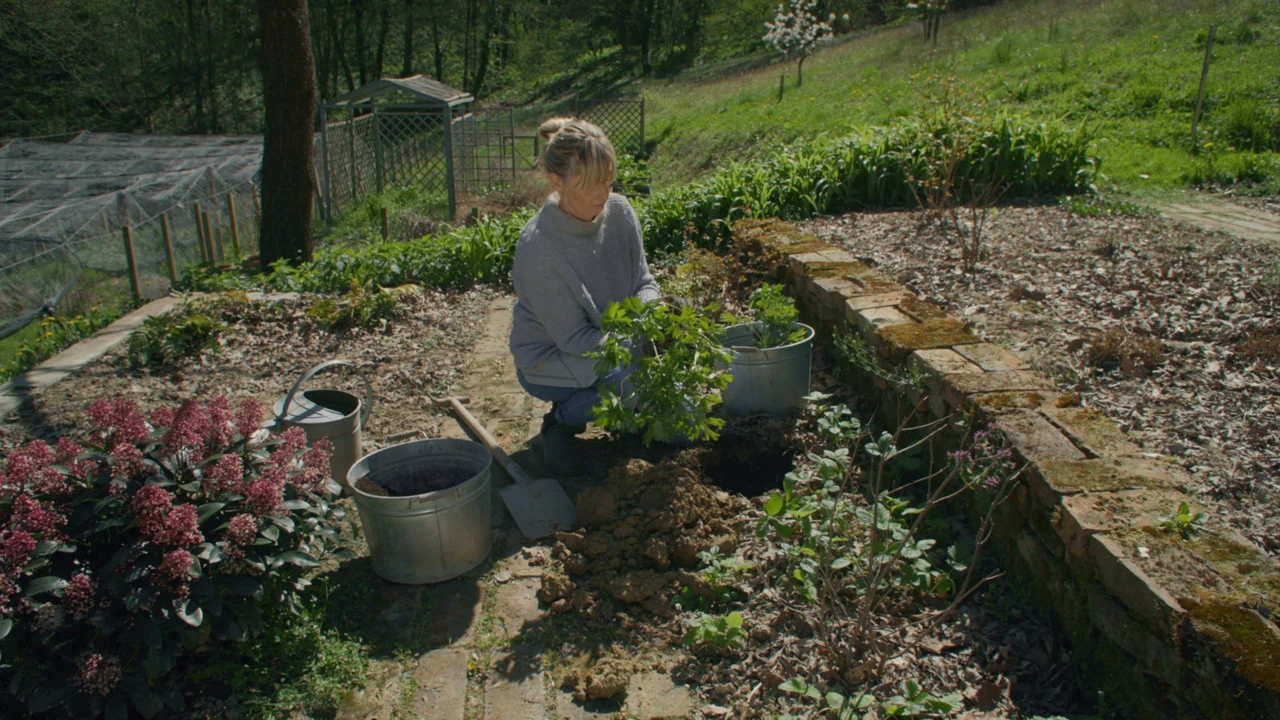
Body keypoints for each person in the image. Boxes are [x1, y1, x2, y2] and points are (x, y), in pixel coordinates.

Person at [508, 117, 660, 475]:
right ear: (556, 180)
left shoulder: (620, 213)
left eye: (608, 181)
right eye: (590, 184)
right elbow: (576, 339)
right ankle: (560, 422)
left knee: (644, 371)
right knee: (625, 381)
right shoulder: (540, 248)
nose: (602, 194)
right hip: (550, 357)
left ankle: (634, 413)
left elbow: (645, 282)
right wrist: (634, 349)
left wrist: (657, 313)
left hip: (609, 342)